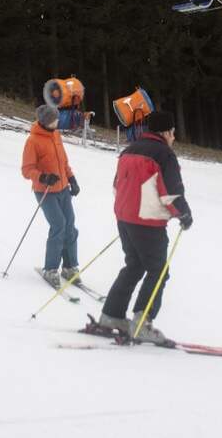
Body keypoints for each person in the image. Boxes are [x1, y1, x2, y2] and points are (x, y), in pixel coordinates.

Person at [98, 110, 192, 343]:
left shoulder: (129, 149)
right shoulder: (164, 154)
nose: (174, 138)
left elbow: (116, 185)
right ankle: (142, 322)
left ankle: (111, 315)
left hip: (125, 218)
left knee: (134, 265)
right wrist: (184, 213)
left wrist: (128, 212)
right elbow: (172, 191)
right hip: (147, 222)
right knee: (158, 271)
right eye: (173, 133)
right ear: (167, 132)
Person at [21, 104, 82, 288]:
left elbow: (63, 161)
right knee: (59, 226)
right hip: (45, 191)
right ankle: (51, 269)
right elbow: (26, 169)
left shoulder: (56, 135)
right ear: (46, 121)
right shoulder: (33, 140)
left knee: (70, 225)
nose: (58, 121)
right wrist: (43, 177)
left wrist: (72, 179)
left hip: (63, 189)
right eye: (55, 119)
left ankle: (70, 267)